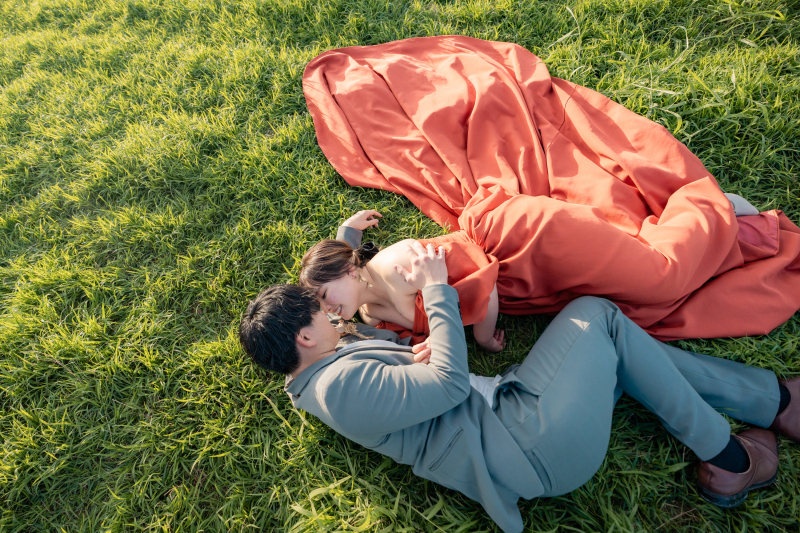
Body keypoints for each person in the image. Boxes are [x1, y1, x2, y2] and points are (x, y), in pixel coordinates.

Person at [241, 242, 800, 533]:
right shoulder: (338, 388)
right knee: (596, 315)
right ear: (307, 337)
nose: (328, 311)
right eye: (318, 312)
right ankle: (729, 458)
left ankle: (776, 401)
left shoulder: (322, 368)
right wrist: (438, 293)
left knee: (621, 348)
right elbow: (447, 386)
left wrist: (352, 242)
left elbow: (411, 385)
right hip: (532, 444)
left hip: (516, 416)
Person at [301, 36, 800, 343]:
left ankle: (706, 209)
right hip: (530, 281)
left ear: (348, 269)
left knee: (662, 282)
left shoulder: (391, 267)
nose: (330, 310)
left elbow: (482, 279)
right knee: (639, 304)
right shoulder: (366, 314)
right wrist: (347, 235)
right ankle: (730, 230)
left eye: (327, 297)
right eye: (324, 308)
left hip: (518, 241)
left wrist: (483, 337)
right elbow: (358, 316)